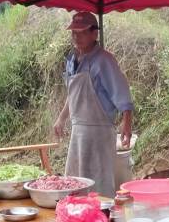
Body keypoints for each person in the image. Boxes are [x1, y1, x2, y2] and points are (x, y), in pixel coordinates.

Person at [52, 11, 134, 197]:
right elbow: (73, 95)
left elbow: (122, 94)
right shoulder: (72, 61)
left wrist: (126, 123)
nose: (76, 37)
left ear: (94, 34)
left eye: (81, 32)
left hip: (99, 133)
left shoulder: (104, 60)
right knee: (76, 183)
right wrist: (61, 119)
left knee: (99, 184)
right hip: (78, 132)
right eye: (73, 32)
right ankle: (77, 220)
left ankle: (102, 221)